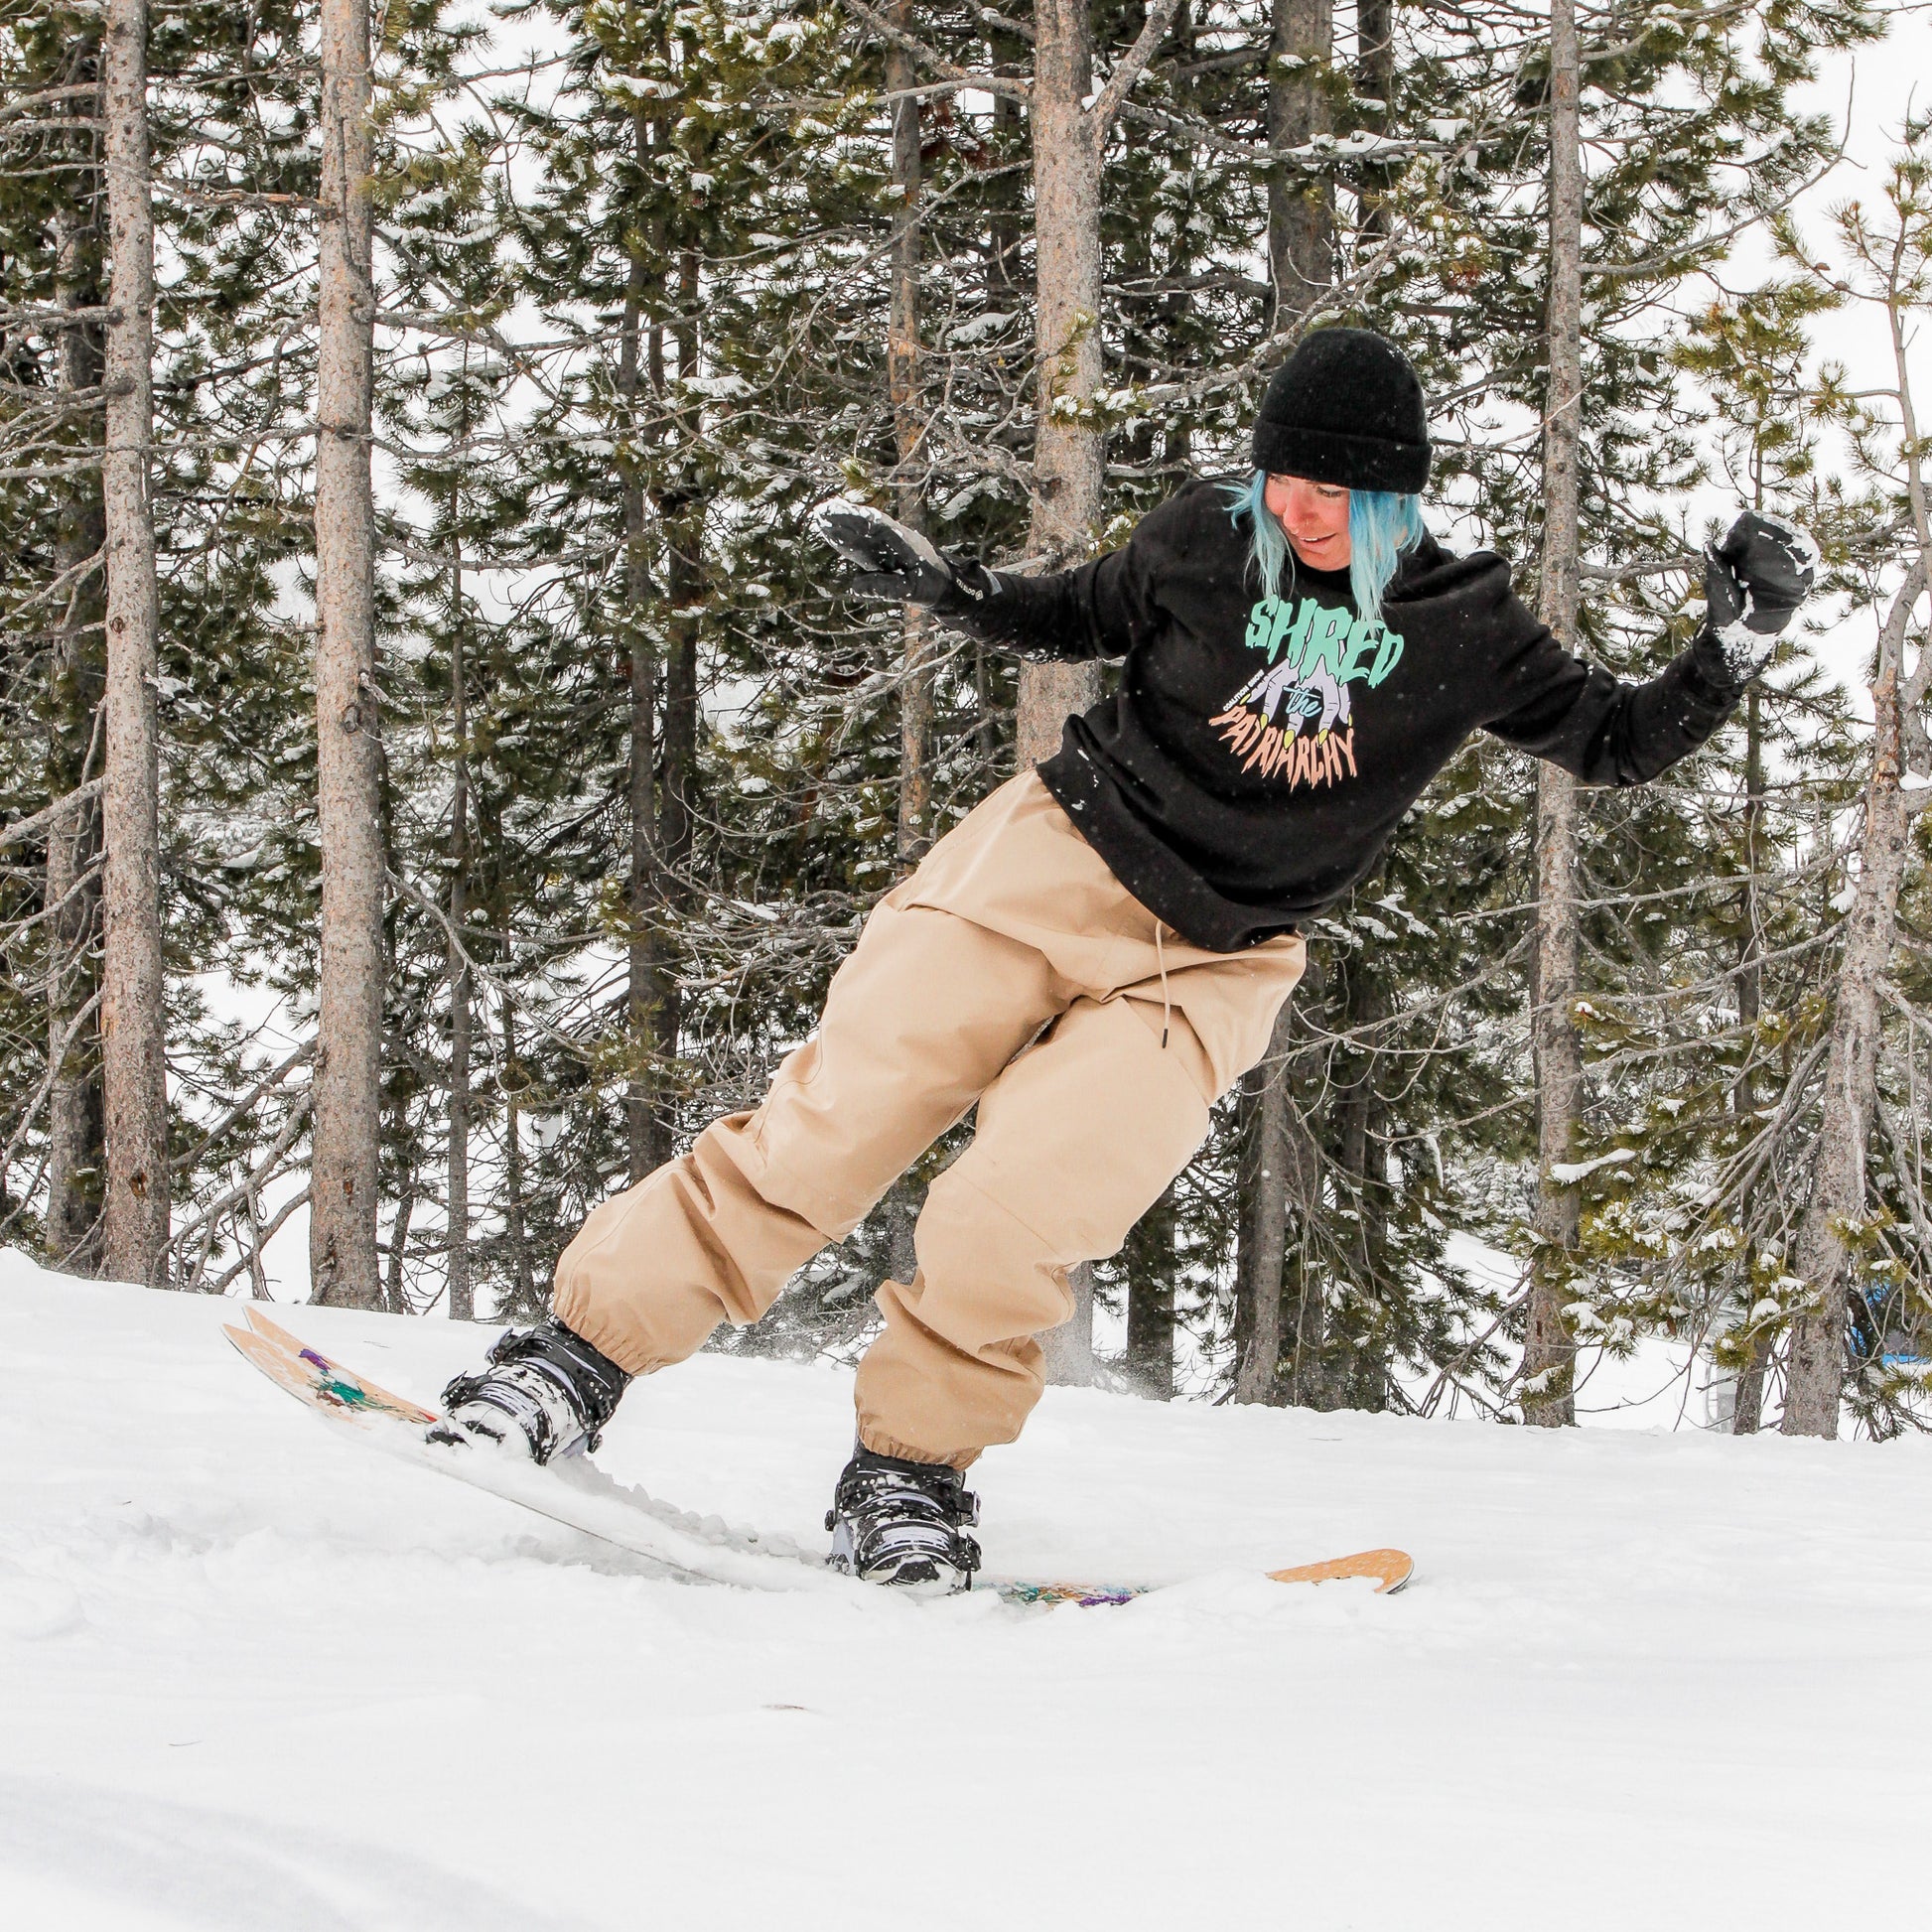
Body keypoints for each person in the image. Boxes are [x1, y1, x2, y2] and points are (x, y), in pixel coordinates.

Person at [432, 328, 1816, 1591]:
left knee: (1020, 1212)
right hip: (1044, 861)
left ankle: (908, 1468)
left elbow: (1615, 742)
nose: (1299, 511)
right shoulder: (1205, 537)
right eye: (1284, 480)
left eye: (1333, 492)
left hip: (1206, 961)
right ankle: (572, 1359)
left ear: (1397, 498)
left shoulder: (1461, 625)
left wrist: (1729, 647)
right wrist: (957, 591)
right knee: (833, 1126)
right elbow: (1076, 611)